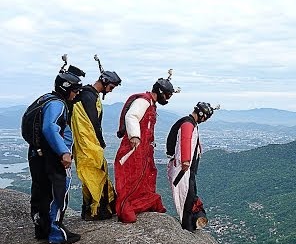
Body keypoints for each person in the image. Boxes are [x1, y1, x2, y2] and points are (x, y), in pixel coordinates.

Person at [26, 56, 84, 244]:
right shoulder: (58, 104)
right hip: (53, 157)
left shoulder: (44, 99)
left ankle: (42, 229)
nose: (76, 94)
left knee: (41, 191)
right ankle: (57, 234)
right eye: (74, 90)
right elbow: (50, 128)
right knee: (58, 193)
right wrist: (64, 152)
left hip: (37, 153)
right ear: (66, 89)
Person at [114, 71, 179, 223]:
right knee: (130, 176)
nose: (168, 99)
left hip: (143, 149)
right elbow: (132, 116)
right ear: (161, 92)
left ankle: (140, 203)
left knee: (144, 176)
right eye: (168, 95)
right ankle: (126, 206)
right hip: (134, 147)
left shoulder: (150, 103)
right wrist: (134, 136)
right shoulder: (144, 101)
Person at [70, 55, 121, 221]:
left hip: (85, 144)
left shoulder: (86, 94)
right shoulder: (88, 96)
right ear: (105, 82)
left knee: (91, 176)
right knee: (95, 175)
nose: (111, 90)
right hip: (88, 145)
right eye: (111, 86)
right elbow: (92, 123)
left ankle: (91, 209)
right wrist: (100, 141)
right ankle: (96, 210)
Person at [166, 102, 219, 231]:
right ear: (201, 114)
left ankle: (192, 222)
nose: (205, 120)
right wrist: (185, 161)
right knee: (186, 198)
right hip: (183, 169)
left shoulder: (189, 123)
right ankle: (187, 225)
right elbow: (185, 140)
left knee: (190, 196)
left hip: (186, 169)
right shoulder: (188, 124)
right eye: (206, 117)